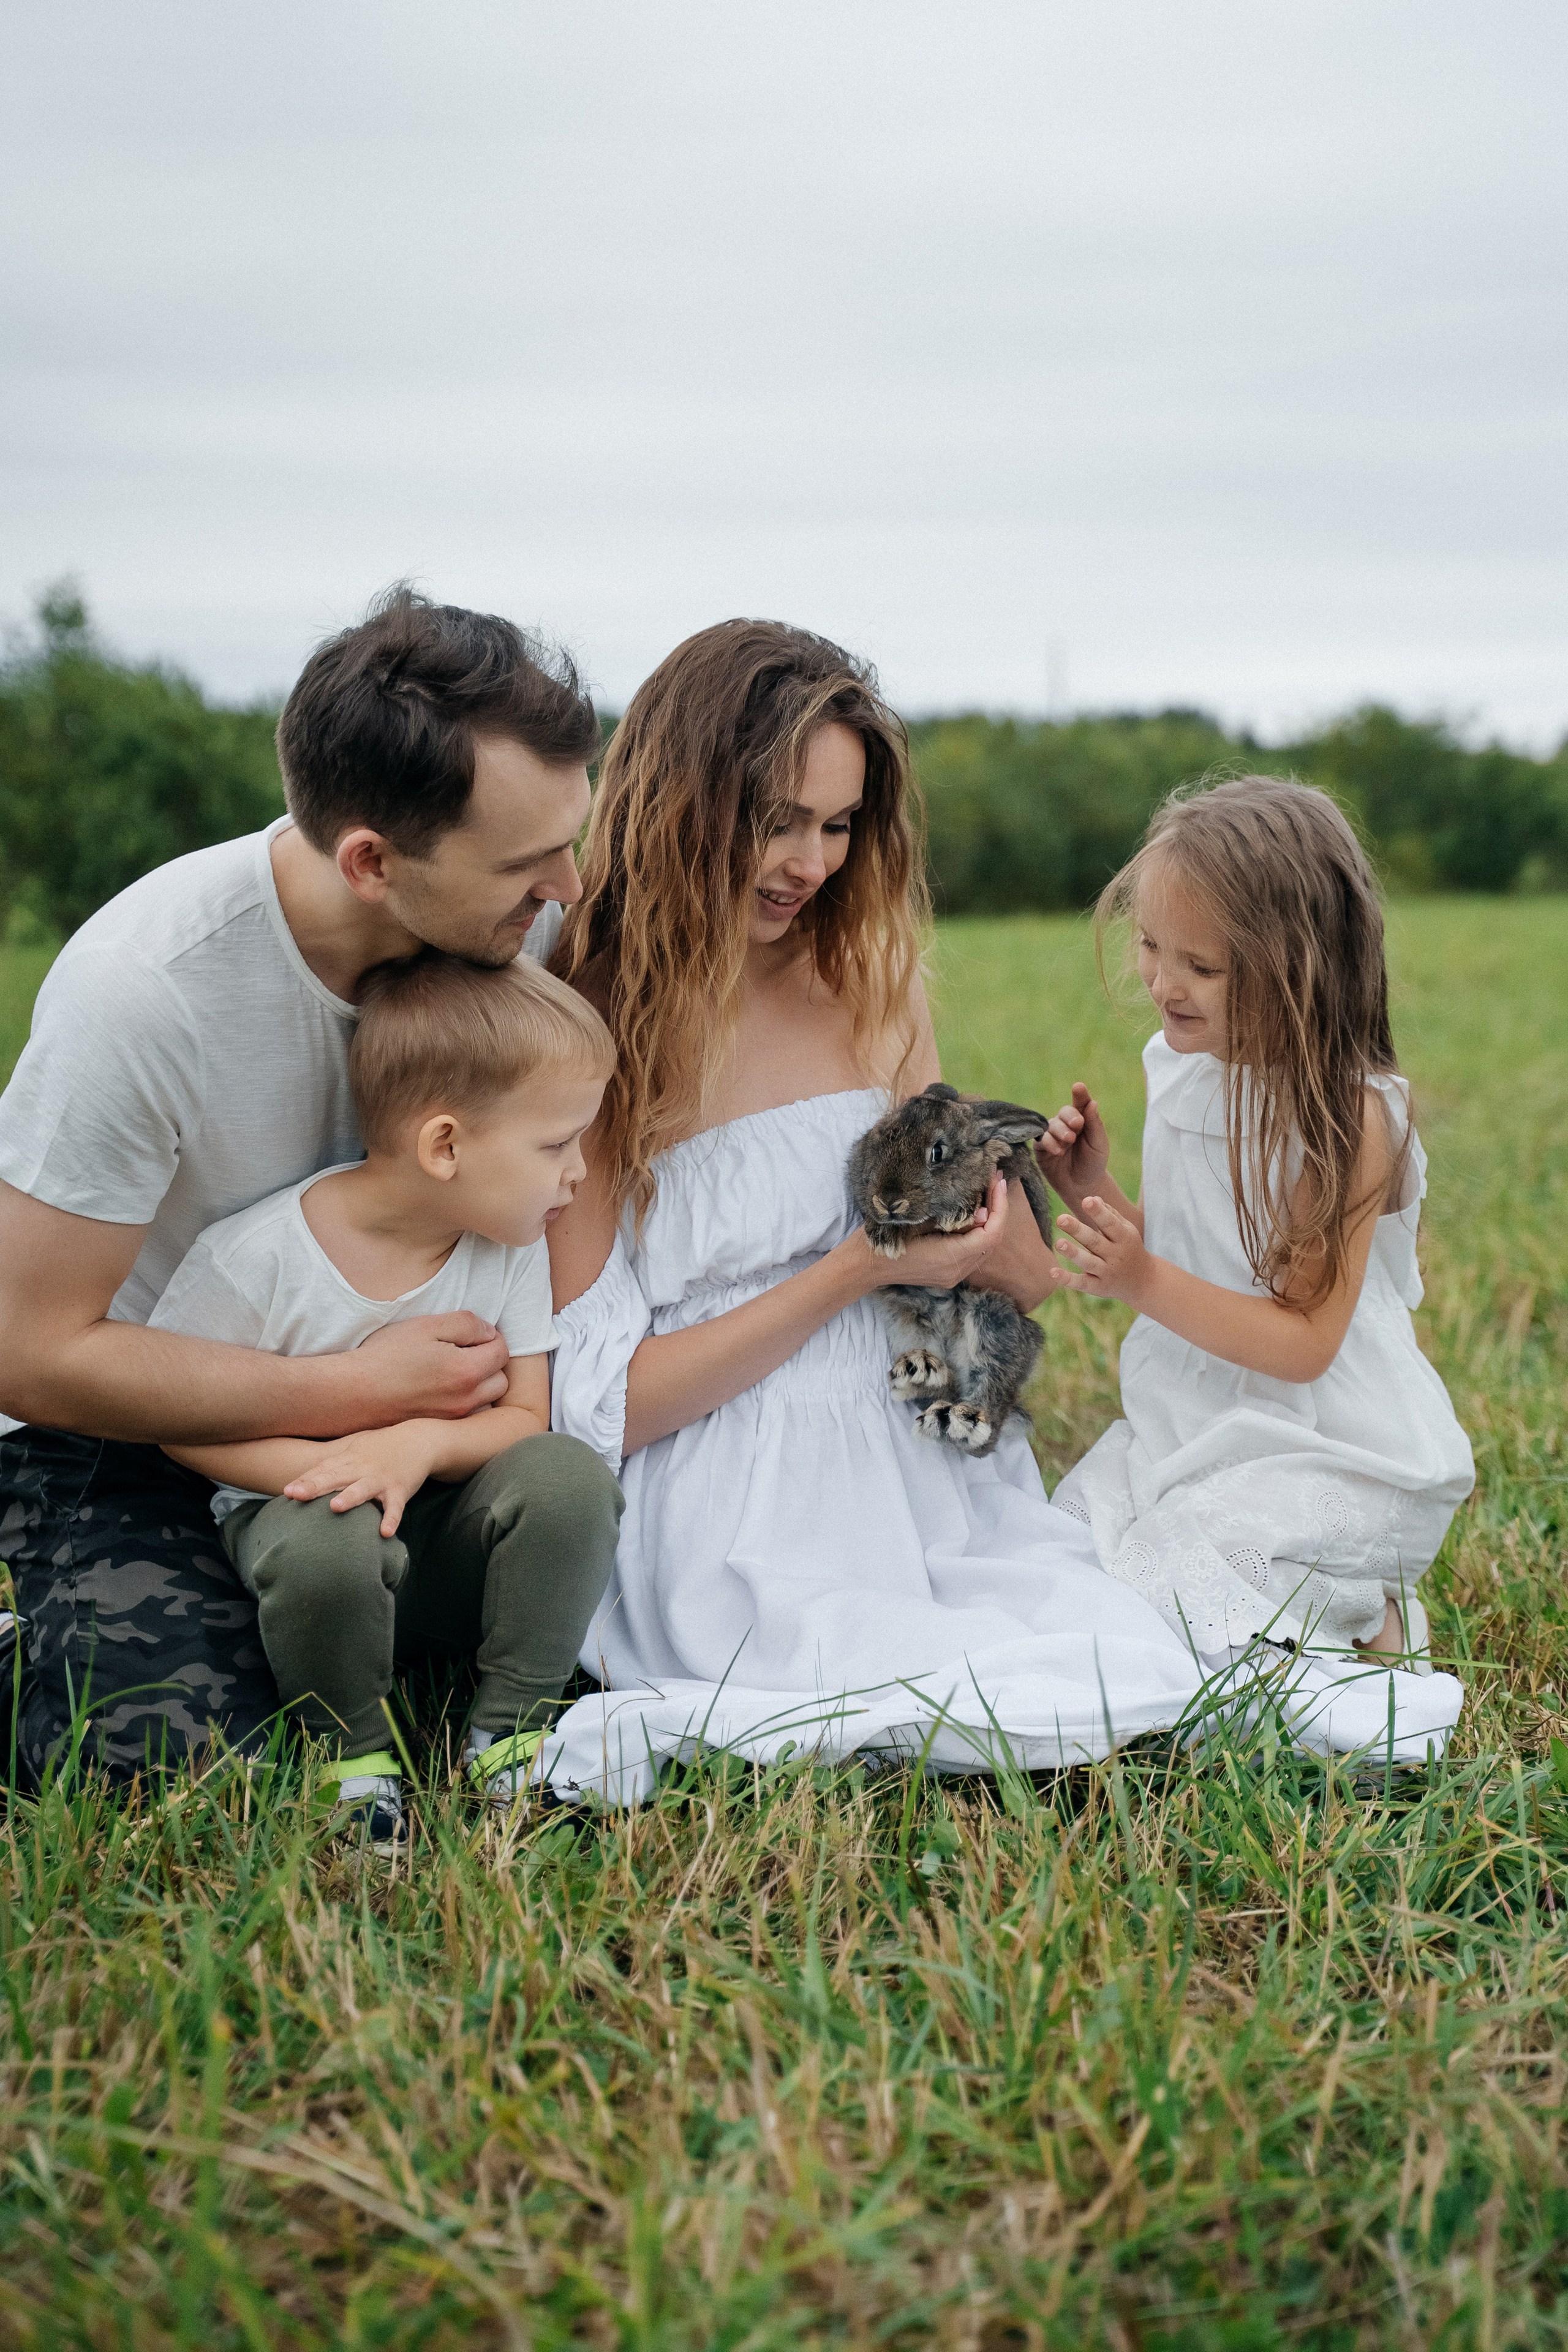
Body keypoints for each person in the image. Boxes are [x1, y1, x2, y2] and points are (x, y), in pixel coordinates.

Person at [540, 623, 1460, 1804]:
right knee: (877, 1681)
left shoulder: (873, 979)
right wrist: (857, 1272)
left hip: (917, 1432)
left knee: (1114, 1649)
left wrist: (1006, 1222)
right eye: (777, 820)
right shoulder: (588, 1013)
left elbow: (1008, 1285)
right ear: (681, 799)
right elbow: (603, 1407)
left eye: (839, 824)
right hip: (724, 1471)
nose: (811, 863)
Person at [0, 588, 601, 1785]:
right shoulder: (145, 991)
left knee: (576, 1646)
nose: (571, 889)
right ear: (371, 861)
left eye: (569, 840)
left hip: (416, 1429)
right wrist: (345, 1393)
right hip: (134, 1437)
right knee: (173, 1767)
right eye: (528, 863)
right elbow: (26, 1350)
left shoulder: (507, 941)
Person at [148, 952, 624, 1843]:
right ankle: (356, 1761)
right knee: (329, 1537)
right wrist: (339, 1473)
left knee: (568, 1476)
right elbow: (185, 1424)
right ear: (445, 1145)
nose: (580, 1174)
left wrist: (415, 1452)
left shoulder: (509, 1246)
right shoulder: (256, 1259)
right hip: (308, 1549)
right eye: (558, 1145)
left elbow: (525, 1417)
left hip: (446, 1544)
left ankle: (510, 1735)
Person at [1044, 776, 1474, 1674]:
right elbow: (1199, 1251)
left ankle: (1369, 1616)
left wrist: (1141, 1281)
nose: (1162, 984)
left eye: (1200, 967)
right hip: (1195, 1416)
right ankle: (1313, 1608)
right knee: (1071, 1552)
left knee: (1184, 1585)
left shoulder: (1349, 1120)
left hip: (1328, 1439)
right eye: (1151, 948)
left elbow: (1303, 1341)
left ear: (1299, 969)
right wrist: (1099, 1195)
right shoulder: (1183, 1063)